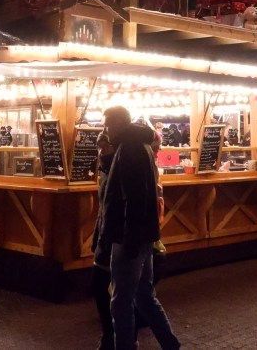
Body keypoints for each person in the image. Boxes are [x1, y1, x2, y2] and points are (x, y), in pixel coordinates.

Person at [98, 106, 180, 350]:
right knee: (144, 296)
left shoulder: (130, 148)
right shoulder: (137, 144)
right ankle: (171, 344)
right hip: (143, 235)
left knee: (121, 301)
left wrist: (130, 238)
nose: (105, 130)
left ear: (119, 123)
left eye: (108, 125)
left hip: (128, 237)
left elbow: (134, 197)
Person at [91, 122, 158, 350]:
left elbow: (132, 203)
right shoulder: (107, 168)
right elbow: (105, 208)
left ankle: (121, 340)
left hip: (121, 238)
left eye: (105, 147)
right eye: (100, 148)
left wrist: (130, 240)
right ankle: (115, 337)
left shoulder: (127, 159)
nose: (102, 152)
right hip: (111, 237)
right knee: (126, 294)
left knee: (124, 296)